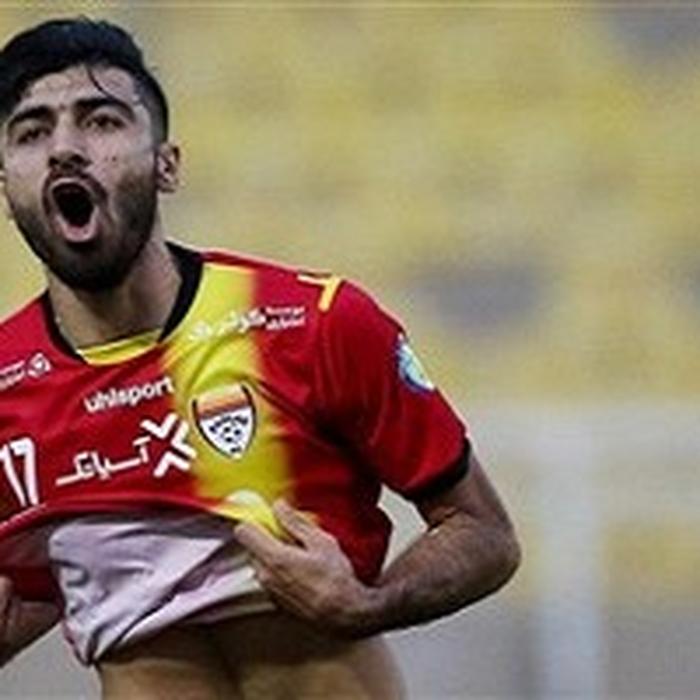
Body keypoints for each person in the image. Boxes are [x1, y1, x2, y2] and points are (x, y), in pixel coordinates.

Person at [0, 17, 520, 699]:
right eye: (32, 132)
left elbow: (484, 535)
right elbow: (41, 583)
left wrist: (367, 604)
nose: (66, 149)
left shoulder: (314, 323)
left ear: (166, 164)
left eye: (101, 121)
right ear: (6, 186)